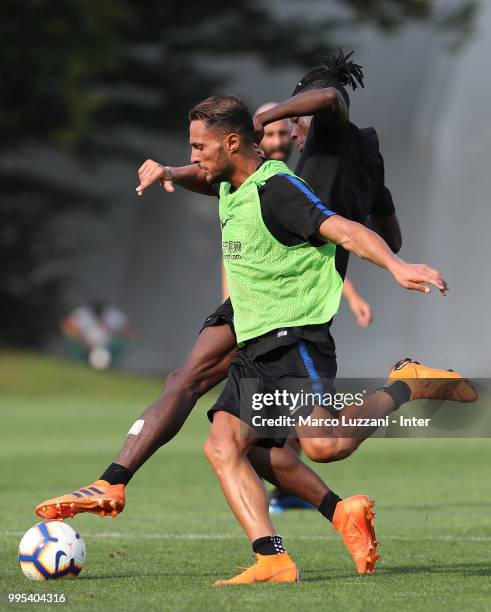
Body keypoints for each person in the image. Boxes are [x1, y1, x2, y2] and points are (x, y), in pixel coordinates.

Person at [180, 94, 475, 584]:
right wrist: (167, 173)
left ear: (232, 143)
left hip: (292, 337)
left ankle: (410, 385)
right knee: (226, 445)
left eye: (198, 147)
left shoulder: (277, 189)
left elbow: (343, 229)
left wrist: (398, 266)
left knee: (325, 445)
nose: (192, 156)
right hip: (254, 345)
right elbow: (193, 176)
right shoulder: (230, 183)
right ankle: (274, 557)